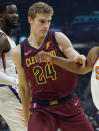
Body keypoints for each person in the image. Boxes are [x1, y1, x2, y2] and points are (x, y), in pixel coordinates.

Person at [12, 2, 93, 131]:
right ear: (30, 20)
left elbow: (73, 54)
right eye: (42, 21)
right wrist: (27, 116)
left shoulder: (58, 38)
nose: (46, 26)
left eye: (49, 21)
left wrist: (79, 57)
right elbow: (23, 87)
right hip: (41, 108)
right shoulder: (18, 52)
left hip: (67, 103)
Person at [0, 2, 27, 131]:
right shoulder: (1, 38)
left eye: (16, 12)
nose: (15, 15)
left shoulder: (9, 38)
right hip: (7, 90)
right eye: (10, 13)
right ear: (1, 16)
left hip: (12, 90)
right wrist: (16, 81)